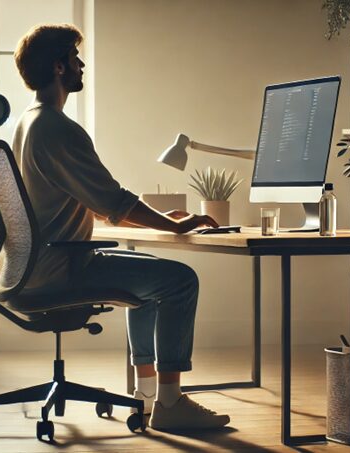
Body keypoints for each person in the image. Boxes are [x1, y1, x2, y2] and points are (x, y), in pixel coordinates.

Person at [12, 23, 230, 431]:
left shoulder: (30, 123)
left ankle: (146, 395)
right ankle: (171, 402)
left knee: (146, 280)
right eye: (75, 58)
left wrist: (165, 221)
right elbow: (114, 200)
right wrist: (173, 226)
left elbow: (79, 198)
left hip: (39, 263)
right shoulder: (57, 128)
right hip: (63, 266)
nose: (81, 65)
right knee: (179, 281)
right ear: (59, 67)